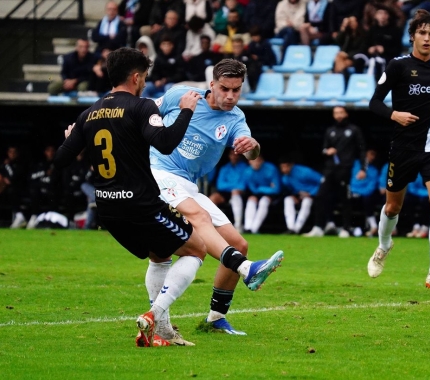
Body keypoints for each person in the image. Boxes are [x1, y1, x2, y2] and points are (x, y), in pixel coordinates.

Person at [48, 47, 207, 347]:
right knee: (197, 249)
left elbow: (59, 161)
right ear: (135, 77)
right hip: (142, 205)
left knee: (160, 257)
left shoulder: (88, 113)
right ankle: (154, 315)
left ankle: (163, 332)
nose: (145, 82)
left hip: (107, 210)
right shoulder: (141, 107)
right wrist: (186, 110)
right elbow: (165, 143)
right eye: (144, 77)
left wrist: (70, 139)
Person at [149, 59, 284, 336]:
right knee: (192, 225)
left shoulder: (236, 119)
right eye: (225, 88)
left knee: (239, 242)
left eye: (237, 90)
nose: (231, 96)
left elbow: (250, 153)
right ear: (211, 84)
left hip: (187, 184)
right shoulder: (182, 95)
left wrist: (253, 147)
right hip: (158, 173)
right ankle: (246, 269)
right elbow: (146, 112)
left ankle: (215, 318)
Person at [367, 10, 430, 293]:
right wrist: (394, 114)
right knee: (393, 207)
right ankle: (384, 245)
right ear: (412, 36)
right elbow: (374, 103)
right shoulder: (397, 66)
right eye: (422, 33)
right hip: (403, 149)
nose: (427, 38)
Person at [303, 106, 367, 238]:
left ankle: (346, 228)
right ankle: (318, 227)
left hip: (345, 168)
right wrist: (328, 151)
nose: (338, 115)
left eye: (341, 112)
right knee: (321, 195)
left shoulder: (354, 130)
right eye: (336, 113)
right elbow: (324, 149)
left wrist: (362, 168)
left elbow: (362, 150)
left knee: (345, 198)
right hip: (330, 168)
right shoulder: (330, 130)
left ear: (346, 113)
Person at [279, 157, 321, 235]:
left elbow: (322, 181)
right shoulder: (285, 177)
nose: (284, 169)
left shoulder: (305, 172)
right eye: (282, 167)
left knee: (306, 202)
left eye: (286, 166)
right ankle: (290, 228)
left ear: (291, 165)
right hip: (299, 196)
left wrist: (311, 193)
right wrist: (293, 195)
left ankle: (296, 229)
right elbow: (289, 189)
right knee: (288, 199)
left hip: (313, 196)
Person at [210, 151, 248, 231]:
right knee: (212, 198)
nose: (234, 157)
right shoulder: (225, 168)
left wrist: (232, 187)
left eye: (236, 155)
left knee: (235, 194)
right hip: (226, 193)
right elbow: (220, 185)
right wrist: (234, 186)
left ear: (239, 156)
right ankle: (211, 225)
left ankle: (238, 225)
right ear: (229, 156)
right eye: (232, 155)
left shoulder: (245, 167)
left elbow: (243, 185)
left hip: (241, 193)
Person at [243, 155, 280, 234]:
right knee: (251, 200)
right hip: (257, 194)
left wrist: (260, 188)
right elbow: (253, 189)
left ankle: (254, 229)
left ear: (262, 160)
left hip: (272, 196)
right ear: (249, 162)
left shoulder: (271, 169)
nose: (256, 163)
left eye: (258, 160)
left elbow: (276, 190)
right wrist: (267, 188)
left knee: (264, 201)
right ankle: (248, 227)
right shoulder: (247, 172)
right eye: (253, 161)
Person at [24, 145, 59, 229]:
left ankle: (50, 221)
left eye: (52, 151)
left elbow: (57, 181)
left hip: (51, 191)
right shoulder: (40, 164)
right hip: (39, 192)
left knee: (54, 193)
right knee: (34, 190)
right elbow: (31, 178)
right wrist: (44, 173)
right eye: (48, 151)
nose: (50, 153)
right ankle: (34, 217)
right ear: (45, 152)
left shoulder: (58, 164)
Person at [349, 149, 380, 238]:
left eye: (374, 155)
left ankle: (373, 226)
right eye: (370, 154)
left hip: (365, 195)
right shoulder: (355, 164)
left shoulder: (374, 170)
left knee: (367, 200)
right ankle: (348, 228)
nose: (372, 157)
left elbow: (371, 187)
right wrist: (354, 192)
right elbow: (351, 181)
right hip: (353, 193)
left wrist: (360, 193)